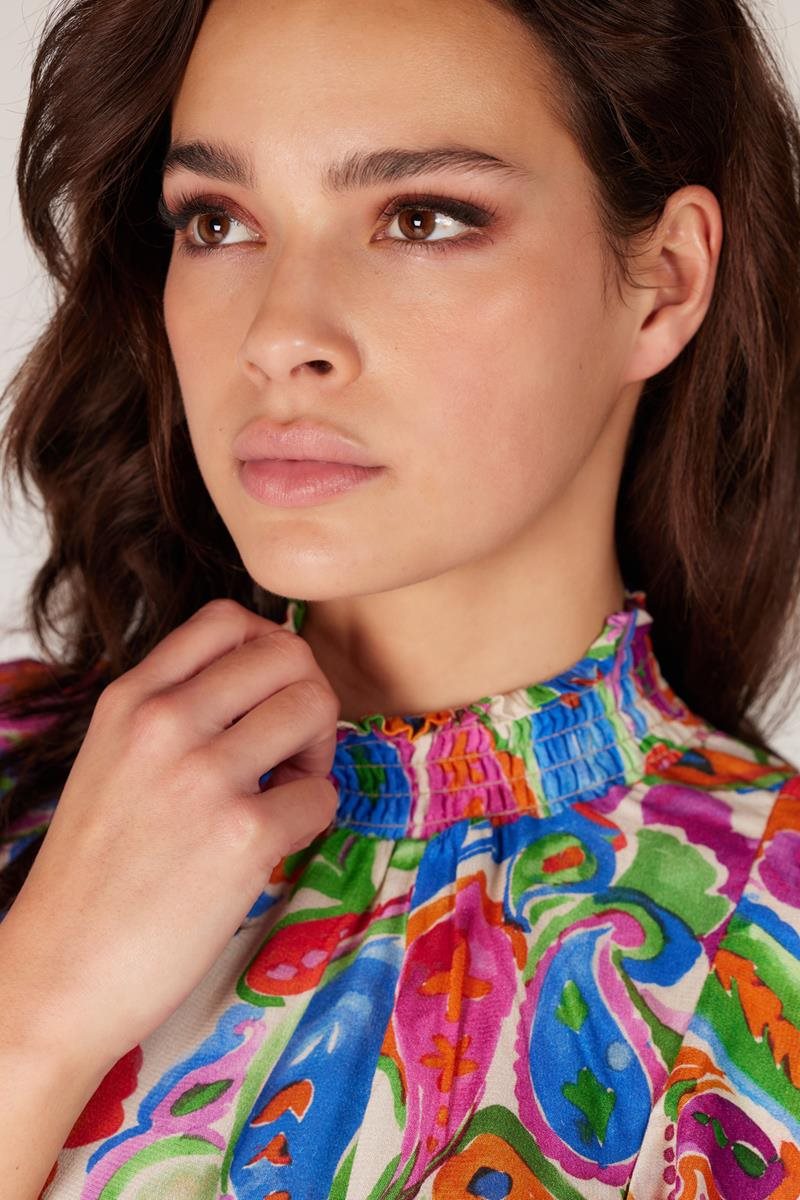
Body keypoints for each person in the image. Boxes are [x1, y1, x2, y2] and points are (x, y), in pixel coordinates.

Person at [1, 0, 799, 1195]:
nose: (278, 335)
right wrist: (37, 1009)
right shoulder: (24, 779)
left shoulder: (768, 945)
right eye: (218, 221)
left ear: (663, 283)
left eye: (419, 217)